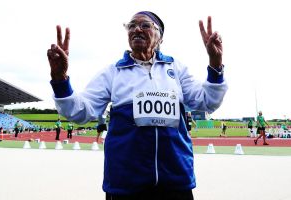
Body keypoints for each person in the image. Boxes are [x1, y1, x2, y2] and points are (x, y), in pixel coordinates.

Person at [47, 11, 227, 200]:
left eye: (145, 25)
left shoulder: (176, 69)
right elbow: (79, 111)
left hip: (175, 179)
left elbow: (207, 101)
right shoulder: (113, 72)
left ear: (160, 38)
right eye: (131, 26)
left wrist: (216, 63)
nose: (136, 30)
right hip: (125, 183)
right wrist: (60, 78)